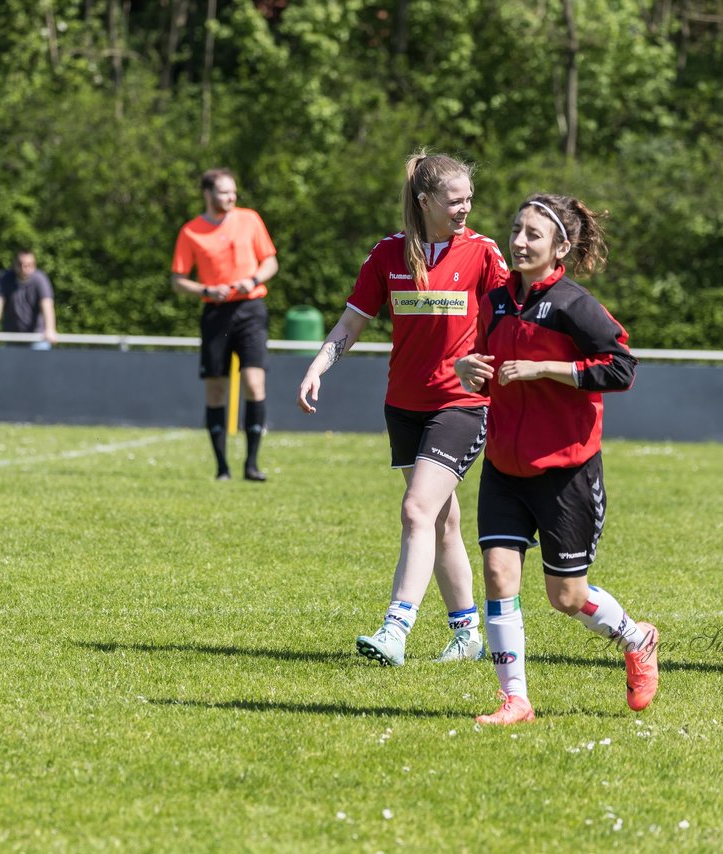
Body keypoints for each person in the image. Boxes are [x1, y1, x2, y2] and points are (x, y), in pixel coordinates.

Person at [455, 193, 660, 725]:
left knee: (565, 597)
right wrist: (467, 368)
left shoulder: (575, 304)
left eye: (533, 235)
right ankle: (515, 699)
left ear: (559, 247)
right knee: (499, 575)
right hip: (503, 463)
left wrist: (546, 370)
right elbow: (482, 356)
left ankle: (636, 638)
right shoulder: (495, 299)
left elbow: (621, 368)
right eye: (516, 230)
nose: (519, 242)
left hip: (565, 471)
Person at [298, 151, 508, 666]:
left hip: (462, 405)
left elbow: (513, 323)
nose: (466, 208)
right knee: (440, 522)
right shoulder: (387, 255)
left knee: (417, 509)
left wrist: (481, 366)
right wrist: (317, 367)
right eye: (455, 200)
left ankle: (396, 628)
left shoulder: (483, 252)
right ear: (425, 201)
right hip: (404, 407)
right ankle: (467, 635)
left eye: (469, 199)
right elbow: (350, 324)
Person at [172, 168, 279, 482]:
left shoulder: (250, 219)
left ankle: (252, 464)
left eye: (233, 192)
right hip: (215, 313)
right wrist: (205, 290)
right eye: (224, 192)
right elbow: (178, 280)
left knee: (254, 383)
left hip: (250, 309)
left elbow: (271, 260)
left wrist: (254, 279)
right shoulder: (190, 231)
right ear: (208, 194)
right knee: (216, 388)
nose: (231, 197)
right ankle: (221, 468)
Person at [0, 249, 59, 350]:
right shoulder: (5, 278)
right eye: (21, 264)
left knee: (39, 366)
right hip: (12, 337)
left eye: (29, 264)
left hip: (37, 337)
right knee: (10, 366)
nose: (25, 268)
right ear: (14, 264)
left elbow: (47, 304)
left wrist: (50, 329)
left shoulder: (40, 279)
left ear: (34, 265)